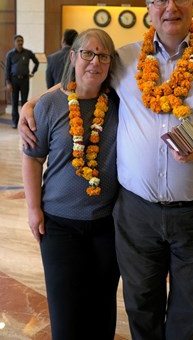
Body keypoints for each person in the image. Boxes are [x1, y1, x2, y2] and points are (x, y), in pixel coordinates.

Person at [19, 0, 193, 340]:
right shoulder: (126, 59)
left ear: (192, 4)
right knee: (140, 304)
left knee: (189, 309)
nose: (171, 6)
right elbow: (83, 79)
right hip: (137, 214)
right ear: (148, 8)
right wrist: (33, 103)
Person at [22, 28, 120, 340]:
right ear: (74, 57)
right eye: (88, 53)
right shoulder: (49, 104)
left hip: (107, 224)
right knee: (66, 317)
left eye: (103, 56)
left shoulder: (120, 102)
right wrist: (33, 209)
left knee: (102, 310)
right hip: (60, 226)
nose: (95, 62)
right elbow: (33, 158)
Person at [5, 34, 39, 128]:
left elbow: (36, 62)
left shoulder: (28, 53)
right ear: (14, 42)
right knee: (14, 102)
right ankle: (15, 122)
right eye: (18, 41)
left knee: (25, 102)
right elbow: (7, 69)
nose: (20, 42)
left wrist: (33, 72)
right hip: (14, 80)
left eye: (21, 40)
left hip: (25, 80)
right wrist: (8, 82)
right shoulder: (10, 54)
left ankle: (25, 122)